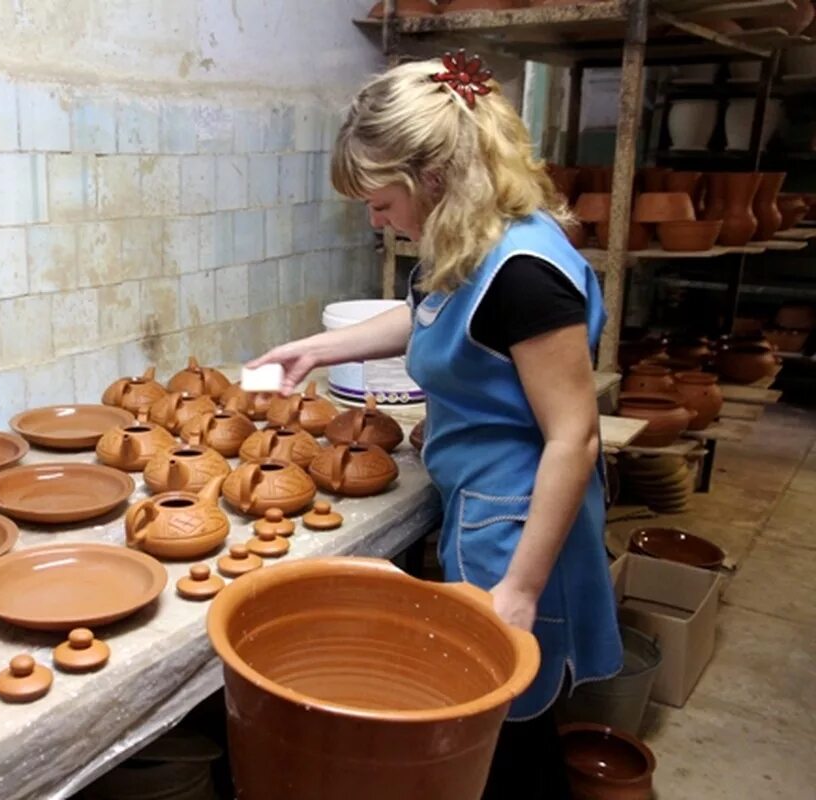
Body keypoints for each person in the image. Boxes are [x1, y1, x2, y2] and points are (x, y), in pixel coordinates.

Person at [248, 52, 622, 798]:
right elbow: (429, 316)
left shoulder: (523, 273)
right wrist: (315, 349)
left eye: (382, 202)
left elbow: (573, 437)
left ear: (437, 178)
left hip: (519, 524)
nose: (374, 218)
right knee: (502, 716)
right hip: (480, 503)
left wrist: (519, 587)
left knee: (505, 722)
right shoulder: (470, 242)